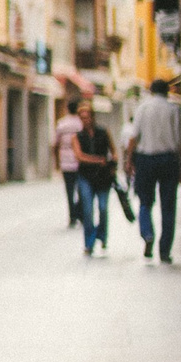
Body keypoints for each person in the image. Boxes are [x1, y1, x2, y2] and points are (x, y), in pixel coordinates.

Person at [125, 78, 181, 264]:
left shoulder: (143, 108)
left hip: (146, 160)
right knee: (168, 206)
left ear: (151, 91)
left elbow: (133, 138)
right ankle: (165, 251)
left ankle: (148, 233)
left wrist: (129, 161)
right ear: (167, 91)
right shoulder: (174, 110)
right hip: (169, 159)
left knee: (145, 201)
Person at [72, 103, 118, 257]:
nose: (85, 120)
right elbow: (80, 157)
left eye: (87, 117)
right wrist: (99, 160)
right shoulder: (77, 137)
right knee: (87, 210)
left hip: (103, 177)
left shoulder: (103, 132)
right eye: (82, 118)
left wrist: (113, 165)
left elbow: (114, 151)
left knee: (103, 208)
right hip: (85, 177)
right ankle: (89, 243)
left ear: (92, 117)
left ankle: (103, 236)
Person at [53, 100, 87, 229]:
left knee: (69, 190)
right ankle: (79, 212)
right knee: (82, 189)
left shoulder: (62, 124)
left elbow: (56, 144)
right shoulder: (81, 124)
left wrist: (56, 162)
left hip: (65, 161)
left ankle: (72, 216)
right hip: (80, 161)